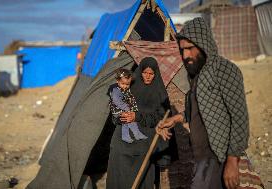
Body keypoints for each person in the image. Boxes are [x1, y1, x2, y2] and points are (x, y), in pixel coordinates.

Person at [158, 17, 249, 189]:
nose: (185, 55)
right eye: (182, 50)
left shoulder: (224, 70)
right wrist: (176, 119)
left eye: (190, 49)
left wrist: (232, 161)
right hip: (201, 159)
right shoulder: (195, 76)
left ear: (203, 44)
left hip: (217, 157)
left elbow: (240, 117)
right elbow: (199, 111)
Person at [106, 57, 171, 189]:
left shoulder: (159, 93)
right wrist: (121, 116)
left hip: (144, 146)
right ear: (139, 72)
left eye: (151, 74)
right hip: (122, 146)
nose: (147, 76)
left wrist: (137, 116)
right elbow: (114, 115)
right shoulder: (128, 88)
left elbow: (161, 118)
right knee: (120, 180)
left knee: (142, 181)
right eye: (145, 73)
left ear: (155, 74)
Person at [109, 68, 147, 143]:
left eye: (127, 84)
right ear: (117, 81)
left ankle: (126, 136)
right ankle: (136, 133)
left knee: (126, 122)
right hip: (118, 110)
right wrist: (127, 108)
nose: (125, 86)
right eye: (123, 84)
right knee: (129, 118)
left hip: (124, 108)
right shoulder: (116, 91)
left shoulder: (126, 90)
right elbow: (118, 102)